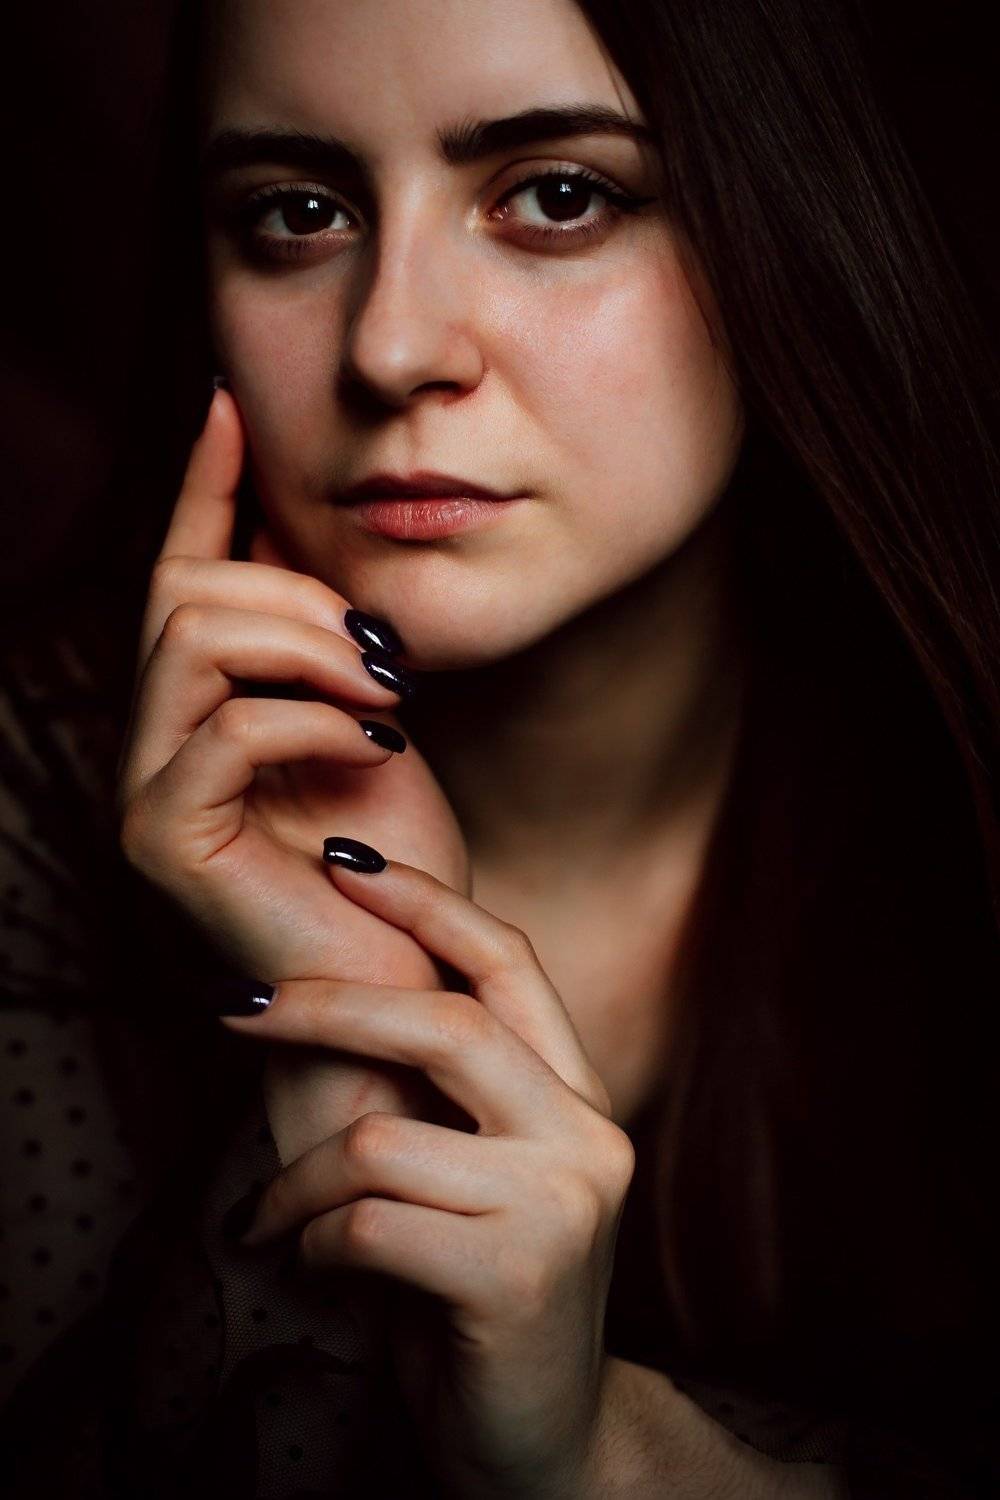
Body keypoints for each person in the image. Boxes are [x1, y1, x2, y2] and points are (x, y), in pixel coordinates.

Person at [2, 0, 998, 1494]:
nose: (392, 346)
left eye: (559, 195)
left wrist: (607, 1458)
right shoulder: (34, 799)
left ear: (793, 218)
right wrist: (347, 1030)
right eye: (298, 212)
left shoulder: (961, 799)